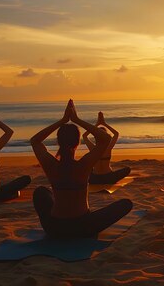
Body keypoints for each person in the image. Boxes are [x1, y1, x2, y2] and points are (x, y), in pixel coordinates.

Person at [31, 100, 132, 238]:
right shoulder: (83, 165)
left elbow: (35, 141)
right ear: (78, 142)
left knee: (40, 192)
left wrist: (62, 121)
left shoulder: (51, 165)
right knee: (126, 204)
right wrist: (77, 120)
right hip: (82, 227)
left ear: (58, 141)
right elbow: (105, 139)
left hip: (54, 228)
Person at [82, 112, 130, 185]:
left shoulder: (92, 148)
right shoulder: (108, 148)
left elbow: (84, 136)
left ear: (95, 137)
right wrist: (104, 123)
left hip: (94, 179)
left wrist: (97, 124)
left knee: (86, 169)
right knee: (127, 169)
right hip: (109, 178)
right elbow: (116, 134)